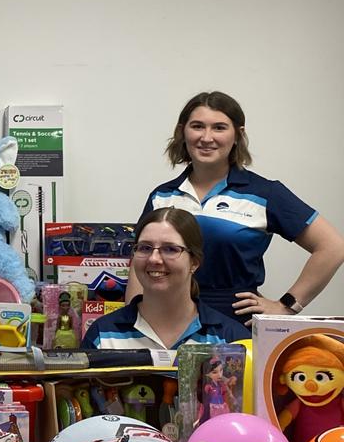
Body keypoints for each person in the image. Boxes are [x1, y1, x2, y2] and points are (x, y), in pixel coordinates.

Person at [137, 91, 344, 323]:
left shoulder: (265, 193)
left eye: (219, 127)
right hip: (166, 318)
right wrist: (134, 319)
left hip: (234, 324)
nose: (206, 137)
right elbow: (140, 261)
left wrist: (287, 306)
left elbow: (333, 247)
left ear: (237, 134)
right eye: (197, 126)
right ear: (182, 131)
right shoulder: (161, 196)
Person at [83, 208, 249, 350]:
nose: (154, 259)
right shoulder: (102, 336)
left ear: (194, 262)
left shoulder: (232, 340)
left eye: (170, 249)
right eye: (145, 248)